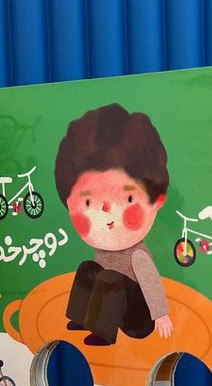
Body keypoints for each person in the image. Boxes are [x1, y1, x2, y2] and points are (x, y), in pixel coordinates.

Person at [54, 104, 173, 346]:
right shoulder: (104, 249)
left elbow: (151, 282)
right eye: (89, 202)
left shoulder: (137, 254)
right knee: (89, 268)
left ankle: (103, 334)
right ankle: (82, 318)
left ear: (157, 201)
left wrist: (161, 315)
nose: (106, 210)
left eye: (127, 199)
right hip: (113, 307)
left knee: (109, 278)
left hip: (137, 320)